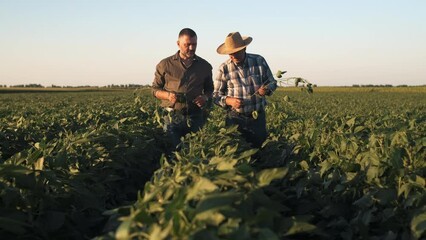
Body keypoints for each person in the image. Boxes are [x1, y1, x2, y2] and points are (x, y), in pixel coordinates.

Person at [152, 28, 213, 151]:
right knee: (173, 151)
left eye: (194, 44)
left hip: (195, 116)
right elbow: (154, 89)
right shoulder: (165, 64)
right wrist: (168, 96)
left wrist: (204, 97)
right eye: (187, 44)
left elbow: (210, 90)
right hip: (172, 116)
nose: (191, 48)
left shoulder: (205, 66)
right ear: (178, 43)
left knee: (195, 151)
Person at [213, 31, 277, 148]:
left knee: (259, 151)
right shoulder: (224, 68)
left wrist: (266, 89)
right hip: (235, 119)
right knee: (237, 152)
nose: (233, 56)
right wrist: (229, 101)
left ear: (244, 48)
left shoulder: (259, 61)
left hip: (257, 118)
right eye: (230, 53)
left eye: (236, 52)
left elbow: (272, 82)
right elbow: (216, 95)